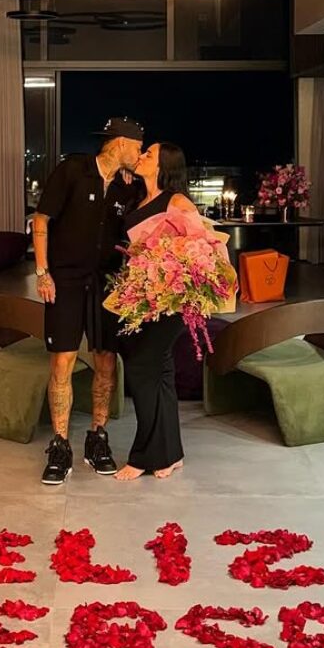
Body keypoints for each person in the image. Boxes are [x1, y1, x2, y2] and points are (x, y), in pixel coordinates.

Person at [32, 117, 145, 485]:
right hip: (64, 280)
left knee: (106, 361)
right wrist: (43, 272)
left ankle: (97, 438)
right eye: (138, 147)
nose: (140, 154)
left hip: (106, 283)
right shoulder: (72, 171)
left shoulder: (130, 187)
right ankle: (60, 444)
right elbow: (41, 220)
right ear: (120, 143)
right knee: (62, 360)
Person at [114, 142, 201, 481]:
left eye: (148, 154)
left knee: (141, 367)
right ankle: (170, 453)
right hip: (142, 296)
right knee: (160, 371)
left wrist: (164, 269)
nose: (142, 157)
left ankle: (144, 456)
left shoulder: (176, 202)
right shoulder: (138, 198)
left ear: (164, 164)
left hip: (170, 300)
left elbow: (201, 249)